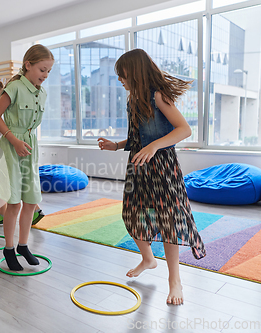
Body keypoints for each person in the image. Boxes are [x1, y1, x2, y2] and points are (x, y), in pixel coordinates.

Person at [97, 48, 206, 305]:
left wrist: (155, 146)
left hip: (163, 169)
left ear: (134, 72)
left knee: (169, 221)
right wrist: (116, 145)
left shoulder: (158, 96)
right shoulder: (133, 100)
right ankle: (148, 259)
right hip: (138, 166)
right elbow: (138, 138)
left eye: (122, 75)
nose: (120, 80)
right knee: (131, 214)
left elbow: (184, 129)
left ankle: (174, 280)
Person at [0, 44, 55, 271]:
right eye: (42, 69)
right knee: (14, 202)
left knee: (30, 201)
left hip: (30, 146)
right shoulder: (15, 87)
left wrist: (25, 142)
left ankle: (23, 245)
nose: (45, 75)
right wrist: (13, 140)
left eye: (48, 71)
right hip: (11, 146)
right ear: (28, 65)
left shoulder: (43, 92)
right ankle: (8, 249)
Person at [0, 79, 45, 225]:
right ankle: (35, 209)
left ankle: (5, 214)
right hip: (20, 146)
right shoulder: (10, 106)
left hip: (7, 150)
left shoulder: (0, 111)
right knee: (23, 182)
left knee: (4, 184)